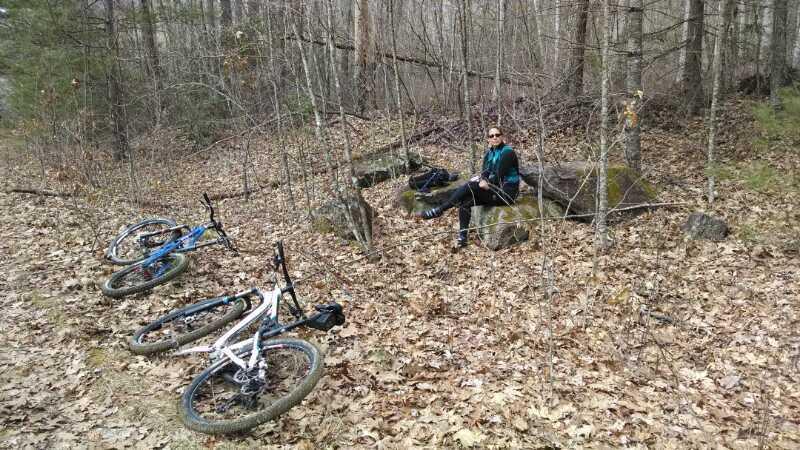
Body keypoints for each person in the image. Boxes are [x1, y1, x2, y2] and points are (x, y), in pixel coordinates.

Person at [417, 126, 520, 247]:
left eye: (497, 135)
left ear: (502, 137)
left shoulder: (507, 152)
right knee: (465, 202)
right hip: (493, 190)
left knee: (471, 186)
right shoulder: (490, 153)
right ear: (488, 139)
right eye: (491, 136)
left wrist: (485, 183)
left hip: (505, 194)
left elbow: (498, 177)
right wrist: (482, 179)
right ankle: (462, 237)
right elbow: (485, 172)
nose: (495, 137)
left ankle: (440, 209)